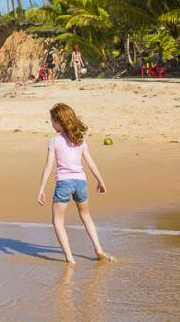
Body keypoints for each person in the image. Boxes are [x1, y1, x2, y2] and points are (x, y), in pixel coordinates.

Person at [37, 103, 111, 263]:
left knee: (57, 221)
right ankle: (99, 249)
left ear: (59, 121)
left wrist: (41, 188)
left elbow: (48, 166)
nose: (51, 124)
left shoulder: (54, 141)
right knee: (86, 216)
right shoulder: (80, 141)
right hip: (80, 183)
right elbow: (90, 163)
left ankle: (70, 258)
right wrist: (100, 180)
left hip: (64, 183)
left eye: (52, 121)